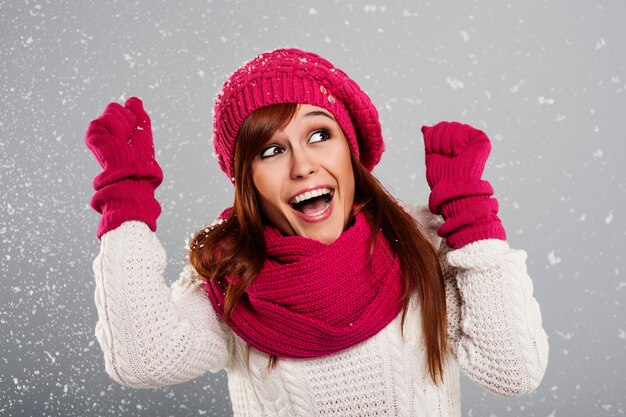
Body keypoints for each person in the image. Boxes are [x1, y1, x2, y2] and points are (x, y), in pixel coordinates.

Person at [85, 48, 549, 416]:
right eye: (271, 150)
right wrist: (127, 204)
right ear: (249, 181)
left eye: (319, 135)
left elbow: (514, 371)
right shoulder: (231, 278)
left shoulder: (420, 246)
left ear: (351, 151)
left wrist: (474, 223)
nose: (303, 165)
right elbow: (142, 358)